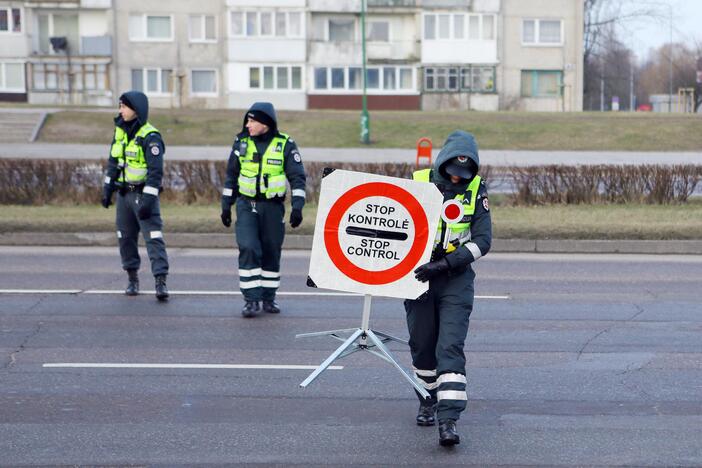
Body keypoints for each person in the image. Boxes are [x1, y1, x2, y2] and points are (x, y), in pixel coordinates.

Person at [406, 130, 492, 447]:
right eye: (453, 174)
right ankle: (427, 399)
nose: (457, 180)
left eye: (464, 174)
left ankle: (449, 419)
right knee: (422, 345)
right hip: (418, 277)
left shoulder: (475, 189)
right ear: (443, 164)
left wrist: (445, 264)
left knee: (450, 347)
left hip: (455, 278)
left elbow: (483, 241)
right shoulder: (417, 180)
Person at [220, 102, 306, 317]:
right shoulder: (241, 143)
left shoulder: (285, 144)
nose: (247, 125)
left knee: (271, 251)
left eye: (252, 121)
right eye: (247, 120)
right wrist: (225, 206)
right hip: (246, 205)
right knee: (248, 247)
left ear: (265, 123)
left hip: (273, 208)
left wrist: (297, 207)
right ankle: (251, 300)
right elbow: (231, 176)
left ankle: (268, 298)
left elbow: (297, 178)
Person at [101, 91, 169, 301]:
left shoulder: (151, 137)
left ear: (136, 109)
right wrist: (107, 188)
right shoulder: (120, 131)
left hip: (143, 195)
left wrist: (149, 200)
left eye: (124, 106)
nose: (120, 110)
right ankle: (132, 278)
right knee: (125, 238)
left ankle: (160, 281)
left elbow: (155, 172)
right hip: (124, 196)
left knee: (153, 238)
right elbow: (114, 161)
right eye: (120, 106)